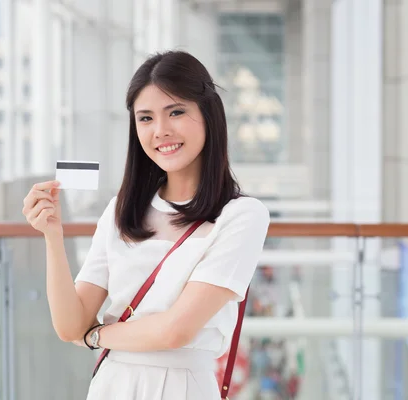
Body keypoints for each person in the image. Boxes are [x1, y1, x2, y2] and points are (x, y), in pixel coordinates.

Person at [21, 50, 270, 399]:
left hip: (184, 387)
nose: (161, 131)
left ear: (209, 115)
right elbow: (69, 325)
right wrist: (52, 237)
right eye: (146, 118)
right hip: (112, 385)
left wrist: (95, 336)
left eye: (177, 112)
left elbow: (175, 331)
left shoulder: (242, 215)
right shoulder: (121, 209)